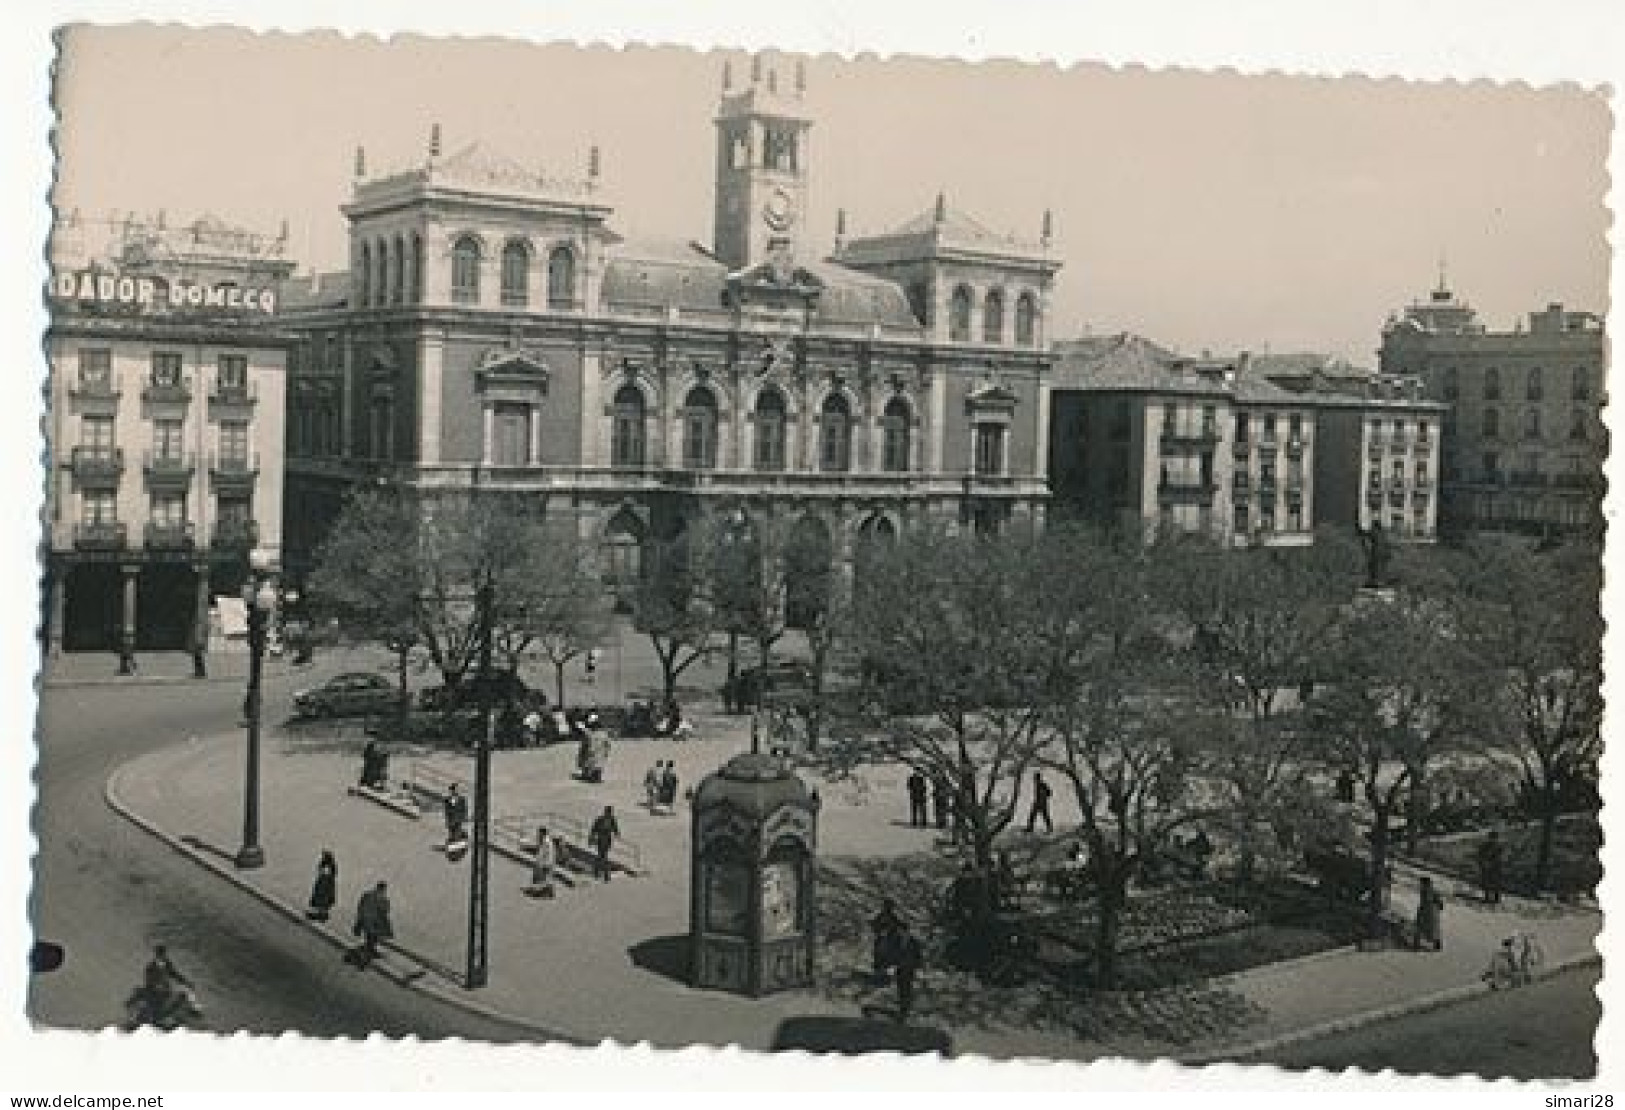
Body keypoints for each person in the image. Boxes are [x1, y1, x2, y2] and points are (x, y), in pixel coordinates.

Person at [350, 881, 394, 967]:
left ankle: (368, 951)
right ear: (383, 889)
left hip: (365, 921)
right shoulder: (383, 899)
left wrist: (359, 921)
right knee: (373, 936)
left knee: (370, 936)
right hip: (373, 924)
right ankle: (366, 956)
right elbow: (384, 912)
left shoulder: (367, 895)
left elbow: (360, 907)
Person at [893, 923, 923, 1024]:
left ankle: (906, 1010)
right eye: (898, 931)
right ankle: (902, 1010)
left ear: (906, 930)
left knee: (907, 989)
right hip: (900, 969)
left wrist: (915, 966)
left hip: (909, 970)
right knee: (900, 989)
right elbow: (894, 955)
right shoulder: (897, 941)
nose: (899, 933)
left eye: (901, 930)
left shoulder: (914, 942)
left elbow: (918, 956)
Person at [870, 898, 904, 982]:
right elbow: (874, 925)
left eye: (889, 907)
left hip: (891, 937)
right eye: (887, 906)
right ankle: (880, 973)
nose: (888, 908)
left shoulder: (892, 917)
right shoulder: (881, 916)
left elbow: (899, 925)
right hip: (883, 937)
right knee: (879, 952)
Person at [1413, 875, 1444, 951]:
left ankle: (1417, 945)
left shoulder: (1427, 891)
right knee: (1432, 930)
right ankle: (1436, 945)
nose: (1420, 885)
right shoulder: (1430, 891)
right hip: (1431, 912)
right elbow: (1440, 904)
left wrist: (1420, 912)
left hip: (1429, 912)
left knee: (1421, 928)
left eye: (1421, 883)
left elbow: (1437, 903)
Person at [589, 805, 620, 881]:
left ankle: (601, 872)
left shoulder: (612, 820)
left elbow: (615, 828)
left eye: (610, 812)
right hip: (600, 840)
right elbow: (594, 829)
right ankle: (601, 873)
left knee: (603, 856)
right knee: (602, 856)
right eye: (608, 812)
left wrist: (616, 833)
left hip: (607, 841)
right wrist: (591, 838)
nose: (609, 814)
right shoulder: (600, 819)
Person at [306, 850, 338, 922]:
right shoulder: (329, 870)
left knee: (322, 899)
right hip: (324, 885)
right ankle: (321, 914)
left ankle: (321, 914)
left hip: (324, 886)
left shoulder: (328, 871)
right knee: (321, 900)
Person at [526, 827, 558, 898]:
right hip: (546, 862)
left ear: (542, 833)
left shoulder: (546, 842)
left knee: (544, 877)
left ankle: (547, 892)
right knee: (545, 878)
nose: (538, 834)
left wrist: (541, 862)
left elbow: (544, 853)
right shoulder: (546, 841)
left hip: (546, 862)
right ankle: (546, 892)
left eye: (539, 833)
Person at [1476, 830, 1505, 905]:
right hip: (1487, 867)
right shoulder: (1485, 846)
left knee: (1496, 883)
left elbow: (1500, 857)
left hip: (1495, 867)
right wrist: (1483, 863)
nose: (1493, 840)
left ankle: (1497, 898)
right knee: (1486, 882)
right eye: (1492, 838)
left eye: (1494, 838)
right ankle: (1487, 897)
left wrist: (1493, 863)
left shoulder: (1499, 847)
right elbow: (1480, 855)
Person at [443, 783, 469, 847]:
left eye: (456, 790)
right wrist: (447, 820)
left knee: (458, 833)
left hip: (458, 819)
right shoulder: (447, 800)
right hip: (451, 820)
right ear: (451, 791)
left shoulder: (462, 799)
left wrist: (464, 817)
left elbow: (464, 809)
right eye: (454, 790)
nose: (455, 791)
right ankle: (452, 846)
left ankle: (457, 847)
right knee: (452, 834)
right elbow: (447, 811)